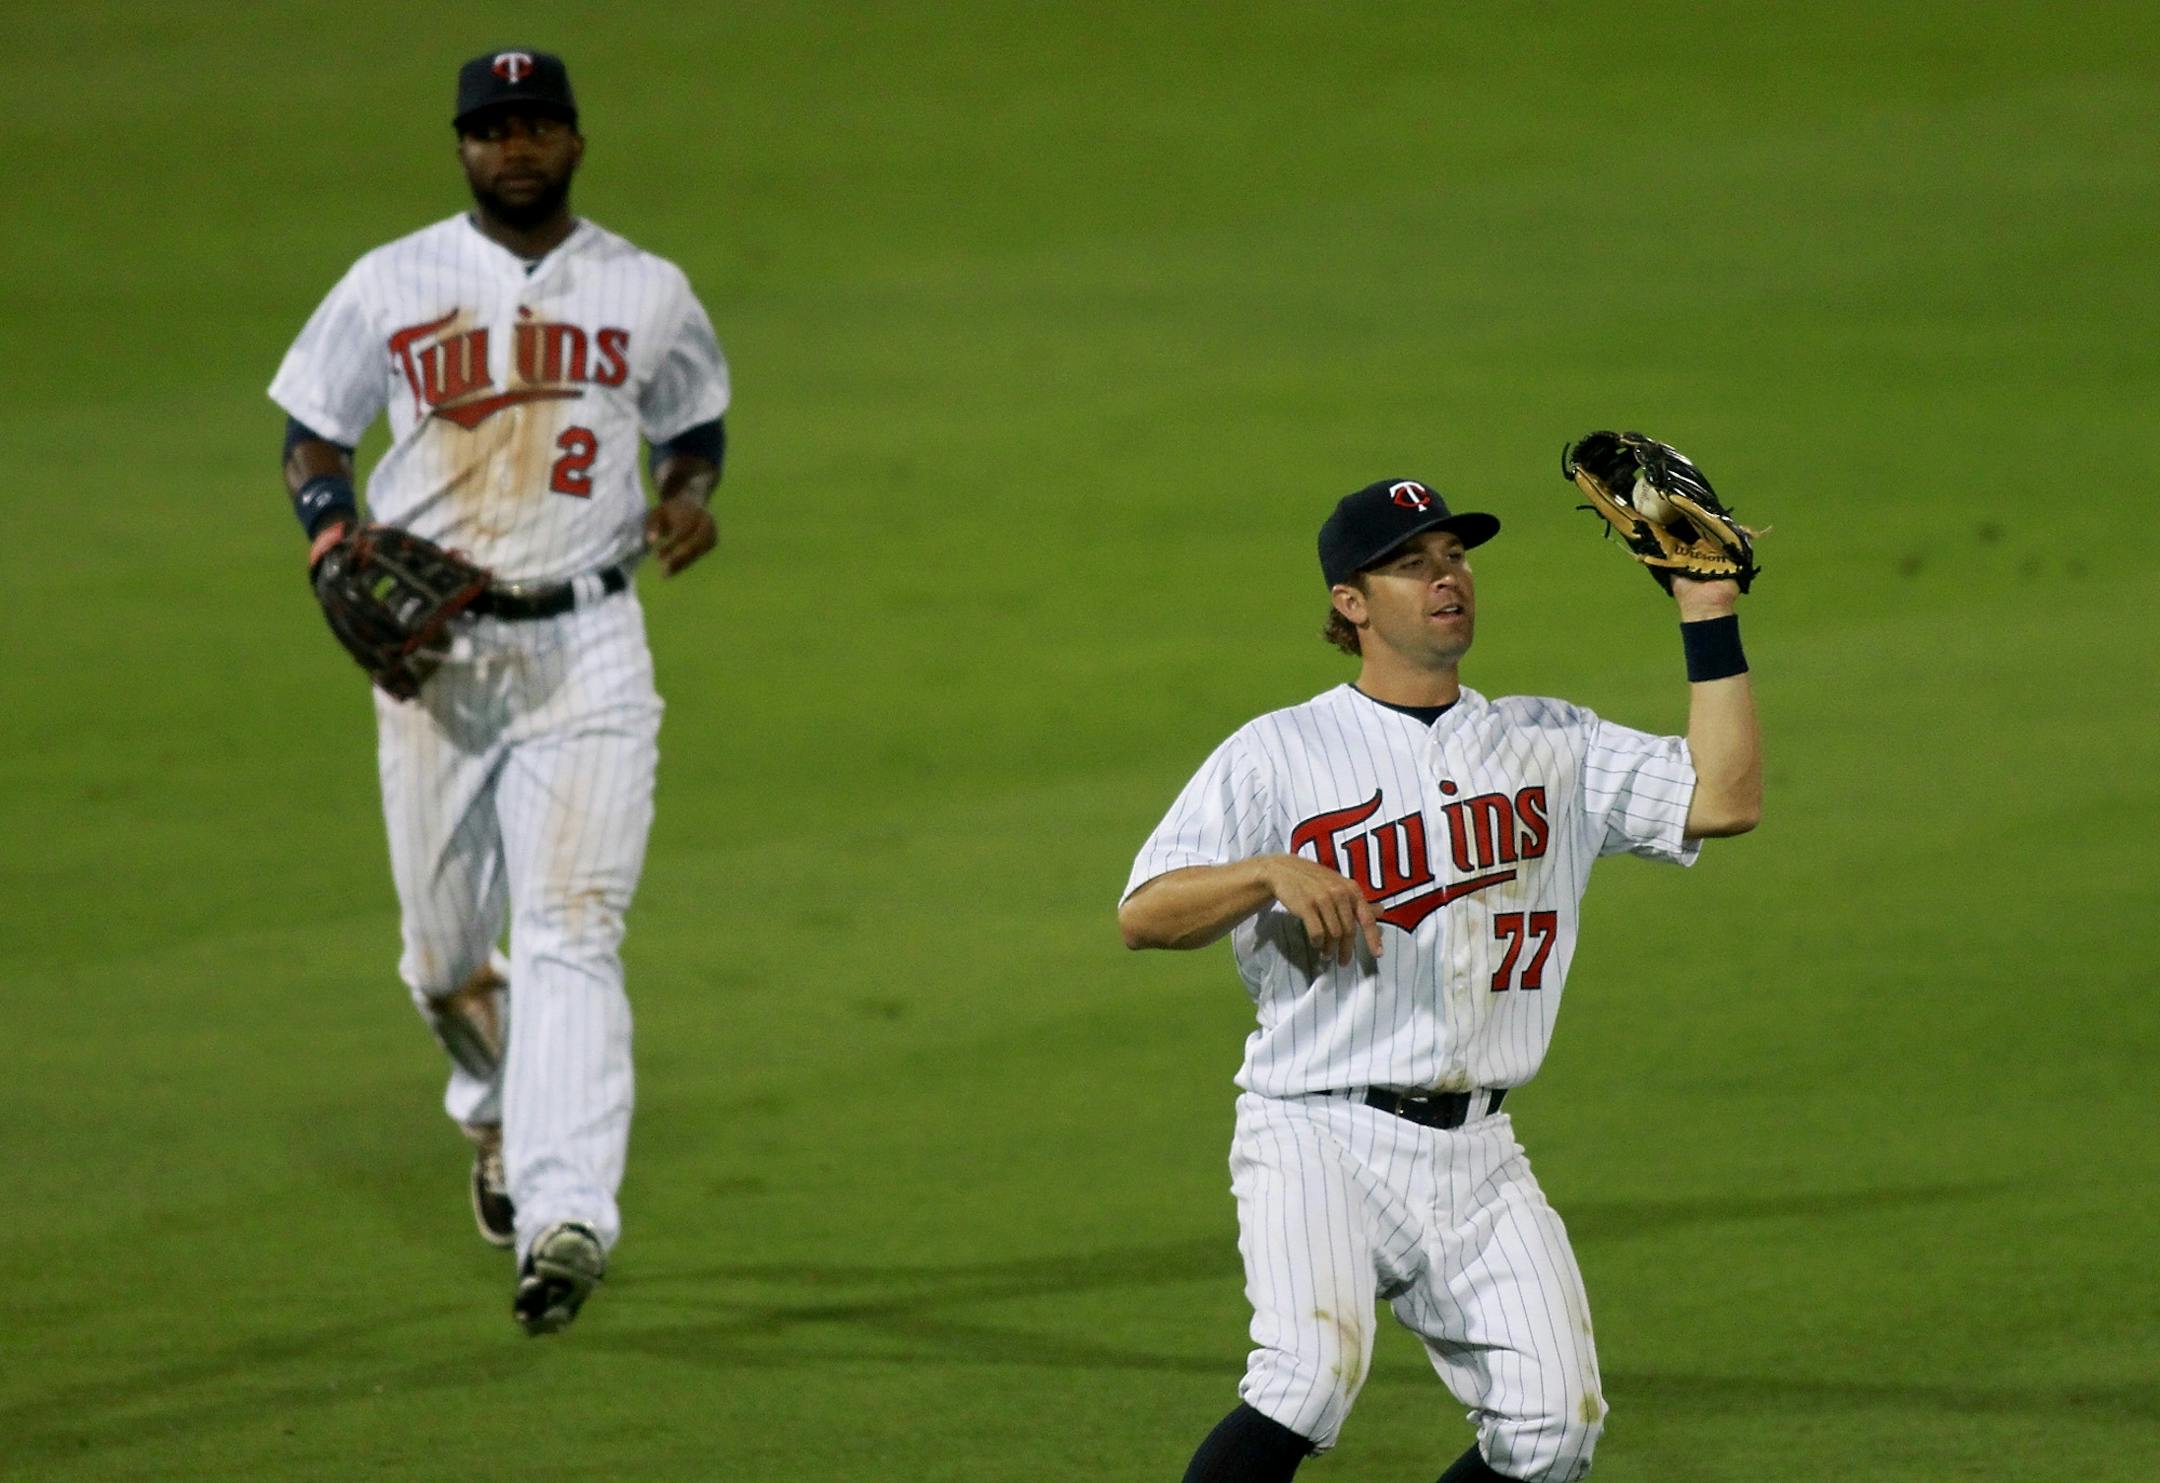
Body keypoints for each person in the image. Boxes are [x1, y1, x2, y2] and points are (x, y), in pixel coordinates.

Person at [1118, 475, 1761, 1481]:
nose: (1446, 577)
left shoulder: (1553, 743)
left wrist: (1707, 613)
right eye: (1411, 564)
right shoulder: (1280, 751)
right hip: (1316, 1127)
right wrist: (1263, 871)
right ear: (1352, 602)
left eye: (1455, 557)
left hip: (1481, 1150)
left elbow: (1723, 798)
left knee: (1556, 1429)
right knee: (1308, 1376)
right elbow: (1142, 914)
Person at [267, 48, 731, 1336]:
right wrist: (324, 537)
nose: (515, 145)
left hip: (592, 651)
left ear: (577, 141)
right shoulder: (391, 281)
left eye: (538, 126)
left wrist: (689, 498)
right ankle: (493, 1109)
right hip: (434, 662)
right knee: (440, 959)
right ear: (462, 147)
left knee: (573, 931)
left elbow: (693, 419)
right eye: (493, 128)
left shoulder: (646, 289)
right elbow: (313, 424)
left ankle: (563, 1208)